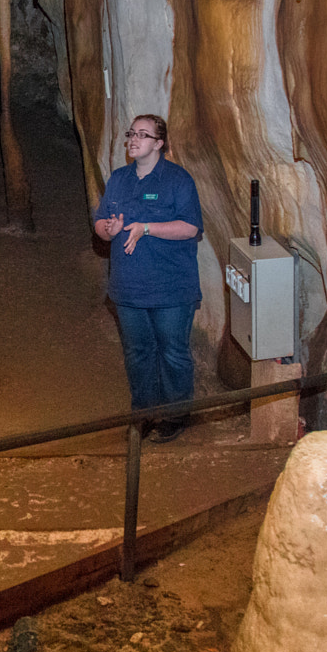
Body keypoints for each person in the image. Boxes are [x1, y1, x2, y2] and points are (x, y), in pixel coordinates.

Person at [92, 113, 205, 443]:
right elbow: (100, 223)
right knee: (138, 354)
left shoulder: (178, 181)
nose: (133, 139)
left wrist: (146, 228)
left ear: (159, 144)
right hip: (128, 289)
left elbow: (190, 227)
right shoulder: (118, 179)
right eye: (131, 133)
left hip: (171, 289)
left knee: (173, 353)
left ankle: (175, 415)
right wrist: (108, 230)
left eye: (143, 134)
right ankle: (143, 414)